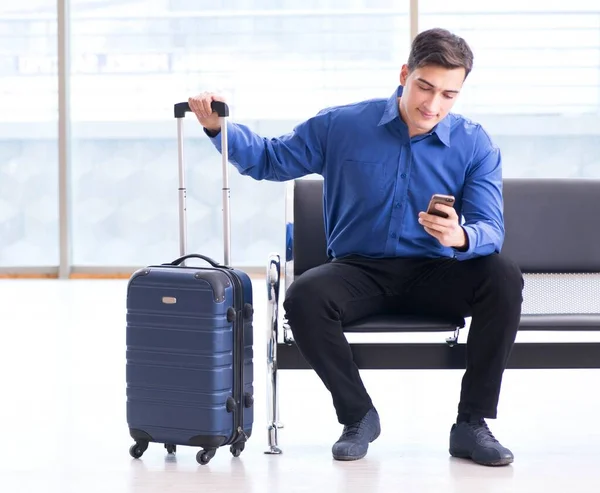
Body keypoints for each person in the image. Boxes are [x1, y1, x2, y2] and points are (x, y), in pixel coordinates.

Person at [188, 27, 523, 467]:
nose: (432, 105)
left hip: (437, 271)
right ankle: (358, 416)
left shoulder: (474, 143)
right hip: (359, 272)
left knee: (502, 275)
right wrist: (218, 127)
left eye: (448, 95)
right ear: (405, 74)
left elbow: (490, 229)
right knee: (305, 295)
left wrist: (460, 236)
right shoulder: (341, 125)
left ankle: (471, 424)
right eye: (424, 87)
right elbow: (271, 159)